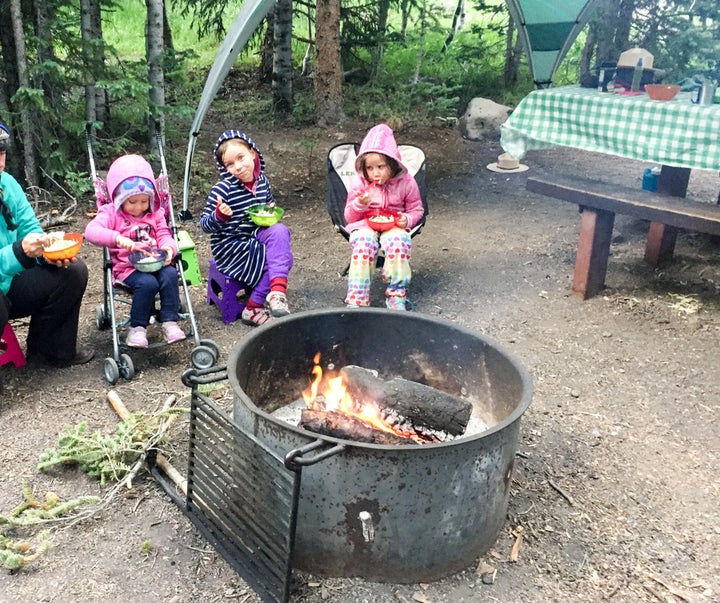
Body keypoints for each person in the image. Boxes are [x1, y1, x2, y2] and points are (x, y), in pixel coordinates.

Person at [0, 121, 94, 368]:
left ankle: (49, 350)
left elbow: (30, 228)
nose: (0, 163)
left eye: (1, 153)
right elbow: (17, 252)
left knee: (72, 272)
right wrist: (19, 252)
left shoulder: (7, 184)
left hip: (9, 282)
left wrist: (46, 252)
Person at [84, 154, 185, 348]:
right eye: (132, 202)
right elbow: (91, 231)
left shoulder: (155, 212)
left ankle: (169, 322)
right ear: (121, 199)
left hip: (156, 261)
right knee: (147, 284)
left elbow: (164, 233)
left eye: (143, 201)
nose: (138, 208)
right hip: (128, 268)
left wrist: (168, 248)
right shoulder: (111, 213)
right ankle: (138, 328)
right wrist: (117, 238)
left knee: (171, 274)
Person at [200, 129, 293, 326]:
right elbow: (204, 225)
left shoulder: (262, 182)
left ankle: (276, 294)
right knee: (280, 259)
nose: (238, 167)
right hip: (230, 244)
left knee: (280, 231)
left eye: (241, 158)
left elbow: (268, 203)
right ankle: (253, 307)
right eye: (230, 164)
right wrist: (219, 215)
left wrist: (270, 209)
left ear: (252, 153)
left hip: (254, 234)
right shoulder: (222, 189)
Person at [343, 123, 425, 310]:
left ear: (392, 164)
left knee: (398, 241)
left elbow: (417, 209)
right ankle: (357, 298)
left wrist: (408, 220)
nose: (375, 173)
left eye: (380, 167)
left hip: (394, 224)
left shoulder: (406, 182)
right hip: (365, 224)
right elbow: (349, 217)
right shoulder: (360, 183)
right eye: (370, 168)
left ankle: (396, 295)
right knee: (364, 242)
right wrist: (359, 205)